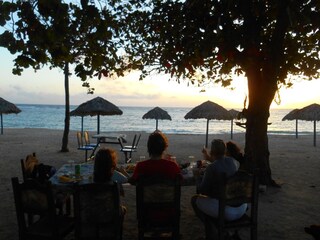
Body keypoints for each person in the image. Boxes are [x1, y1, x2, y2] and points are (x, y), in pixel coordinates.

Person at [191, 139, 247, 239]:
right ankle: (221, 229)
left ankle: (215, 228)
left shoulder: (211, 168)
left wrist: (196, 177)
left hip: (226, 210)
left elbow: (202, 191)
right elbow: (221, 162)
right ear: (225, 151)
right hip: (241, 207)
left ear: (212, 152)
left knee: (195, 200)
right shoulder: (234, 162)